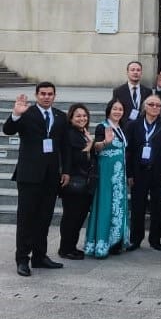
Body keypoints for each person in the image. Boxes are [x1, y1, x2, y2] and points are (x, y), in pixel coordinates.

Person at [83, 99, 131, 258]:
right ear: (109, 110)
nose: (118, 112)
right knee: (105, 203)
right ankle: (102, 242)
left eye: (120, 109)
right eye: (115, 109)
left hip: (119, 174)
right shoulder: (102, 126)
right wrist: (105, 142)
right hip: (106, 173)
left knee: (117, 204)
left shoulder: (121, 127)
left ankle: (115, 241)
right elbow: (95, 147)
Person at [125, 95, 161, 251]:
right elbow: (128, 151)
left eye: (158, 105)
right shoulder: (133, 125)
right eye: (151, 104)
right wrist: (129, 174)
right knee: (138, 207)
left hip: (158, 172)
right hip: (139, 172)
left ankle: (155, 239)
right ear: (145, 107)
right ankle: (135, 239)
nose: (155, 107)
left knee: (158, 208)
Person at [57, 104, 95, 260]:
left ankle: (70, 246)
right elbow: (80, 158)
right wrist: (91, 144)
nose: (82, 118)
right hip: (73, 184)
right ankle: (65, 249)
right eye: (78, 116)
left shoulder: (81, 133)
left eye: (84, 115)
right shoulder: (71, 134)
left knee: (77, 218)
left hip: (82, 183)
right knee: (71, 218)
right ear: (71, 118)